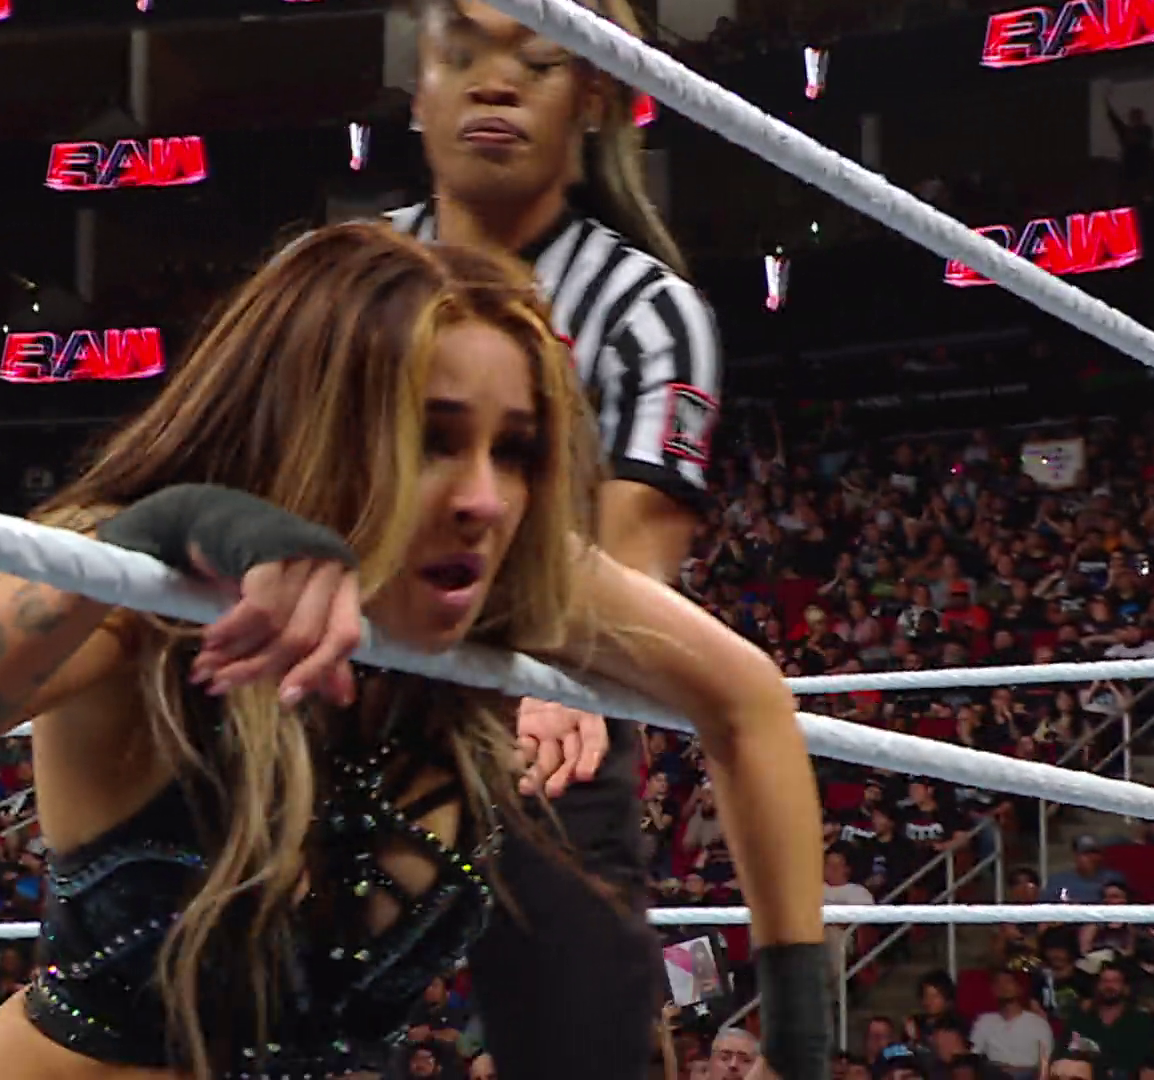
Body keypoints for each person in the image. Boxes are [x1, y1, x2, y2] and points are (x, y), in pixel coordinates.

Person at [0, 225, 828, 1080]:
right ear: (316, 427)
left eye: (514, 450)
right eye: (433, 437)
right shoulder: (150, 604)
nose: (484, 498)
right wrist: (159, 530)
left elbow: (747, 702)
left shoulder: (508, 571)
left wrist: (797, 1043)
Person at [394, 0, 728, 1074]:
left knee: (586, 1026)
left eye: (536, 63)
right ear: (417, 93)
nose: (494, 83)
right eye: (463, 55)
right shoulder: (339, 279)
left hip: (544, 689)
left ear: (591, 100)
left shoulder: (646, 310)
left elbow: (638, 543)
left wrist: (570, 673)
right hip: (347, 674)